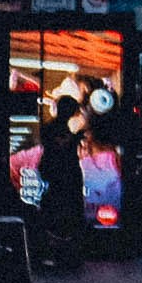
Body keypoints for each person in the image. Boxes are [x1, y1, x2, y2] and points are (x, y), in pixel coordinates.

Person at [32, 94, 87, 267]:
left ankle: (57, 249)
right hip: (63, 176)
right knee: (64, 212)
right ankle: (64, 249)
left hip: (56, 176)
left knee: (56, 211)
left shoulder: (51, 128)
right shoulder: (57, 130)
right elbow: (60, 146)